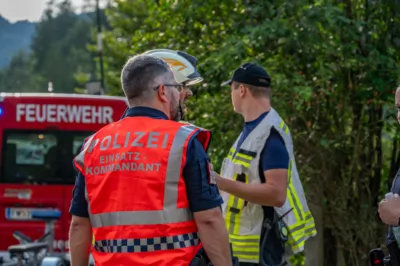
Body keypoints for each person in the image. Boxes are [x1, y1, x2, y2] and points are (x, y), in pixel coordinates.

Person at [68, 54, 233, 266]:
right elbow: (209, 218)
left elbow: (79, 224)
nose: (182, 93)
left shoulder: (94, 145)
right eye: (176, 86)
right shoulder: (183, 140)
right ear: (163, 91)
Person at [214, 63, 317, 266]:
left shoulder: (269, 134)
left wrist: (221, 182)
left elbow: (276, 194)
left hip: (259, 249)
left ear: (241, 90)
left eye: (232, 89)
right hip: (243, 249)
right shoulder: (253, 130)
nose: (231, 95)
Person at [143, 49, 203, 121]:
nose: (190, 93)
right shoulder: (185, 132)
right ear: (163, 90)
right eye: (183, 85)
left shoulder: (128, 128)